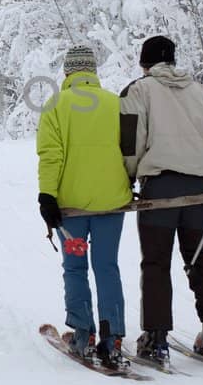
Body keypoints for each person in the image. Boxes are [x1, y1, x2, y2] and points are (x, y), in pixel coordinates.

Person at [119, 35, 203, 365]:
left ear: (145, 63)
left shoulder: (137, 91)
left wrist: (126, 178)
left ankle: (156, 338)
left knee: (156, 262)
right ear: (172, 61)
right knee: (201, 258)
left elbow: (130, 142)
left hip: (160, 192)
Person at [36, 45, 135, 367]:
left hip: (71, 208)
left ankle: (83, 334)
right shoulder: (114, 103)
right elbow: (130, 151)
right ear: (93, 71)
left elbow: (51, 156)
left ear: (67, 72)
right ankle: (112, 337)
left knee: (75, 267)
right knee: (107, 267)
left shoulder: (55, 104)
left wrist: (47, 196)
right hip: (111, 203)